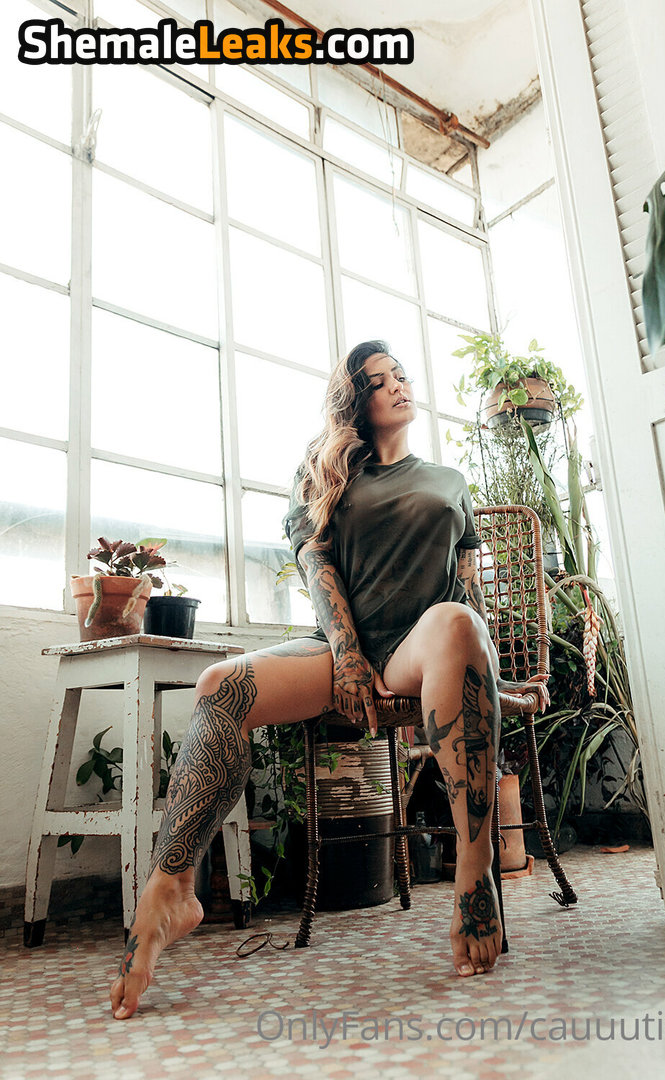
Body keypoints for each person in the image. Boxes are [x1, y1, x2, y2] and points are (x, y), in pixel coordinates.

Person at [109, 340, 549, 1020]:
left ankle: (474, 872)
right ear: (355, 402)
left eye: (400, 374)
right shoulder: (325, 472)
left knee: (459, 620)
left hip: (420, 645)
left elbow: (467, 599)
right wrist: (345, 654)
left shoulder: (449, 482)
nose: (397, 385)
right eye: (378, 381)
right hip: (340, 646)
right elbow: (319, 570)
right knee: (220, 686)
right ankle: (171, 888)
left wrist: (487, 674)